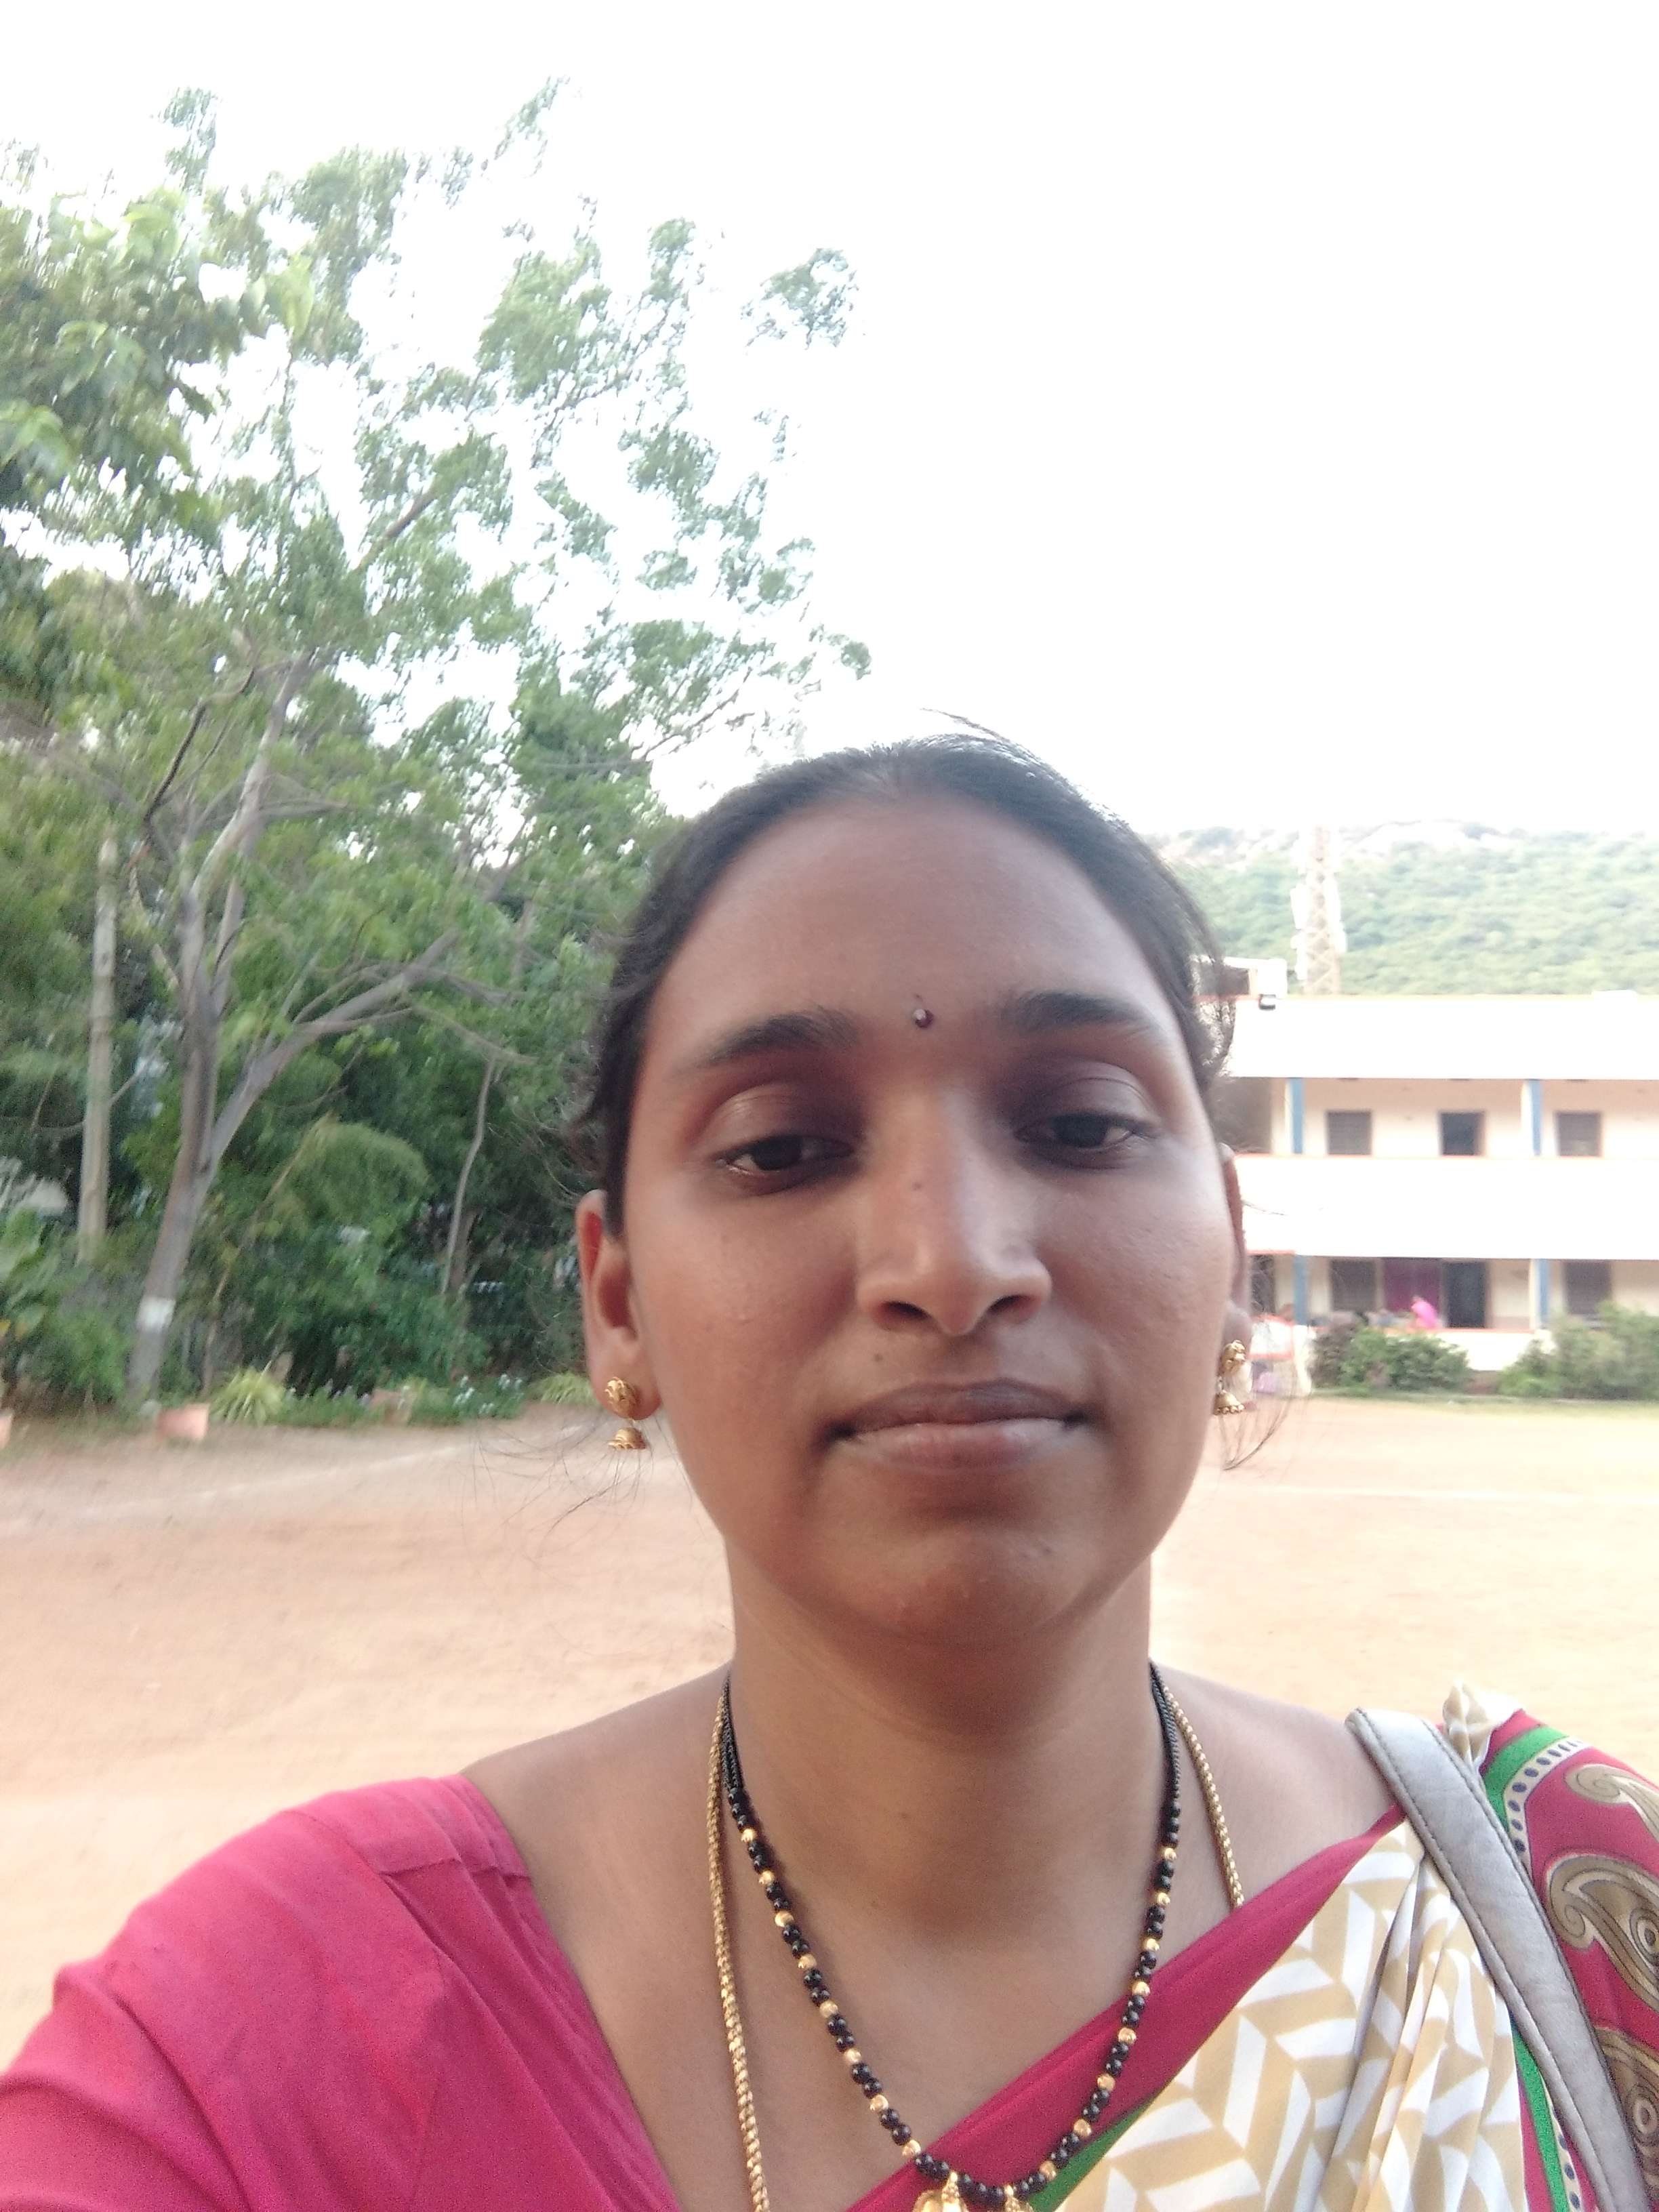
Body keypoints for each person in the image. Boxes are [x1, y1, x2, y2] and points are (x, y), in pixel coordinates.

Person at [3, 737, 1656, 2212]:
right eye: (782, 1148)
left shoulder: (1575, 1928)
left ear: (1230, 1247)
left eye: (1079, 1124)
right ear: (618, 1302)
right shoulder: (268, 2053)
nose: (955, 1261)